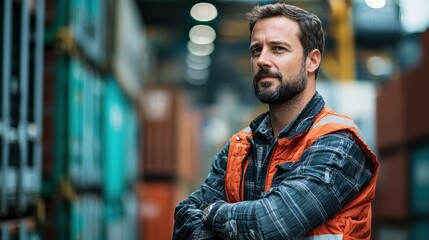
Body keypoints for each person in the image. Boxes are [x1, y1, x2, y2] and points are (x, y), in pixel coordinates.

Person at [173, 2, 379, 240]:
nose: (262, 60)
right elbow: (183, 221)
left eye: (278, 49)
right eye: (255, 50)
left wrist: (211, 213)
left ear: (312, 61)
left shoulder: (339, 143)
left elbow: (273, 223)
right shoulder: (239, 148)